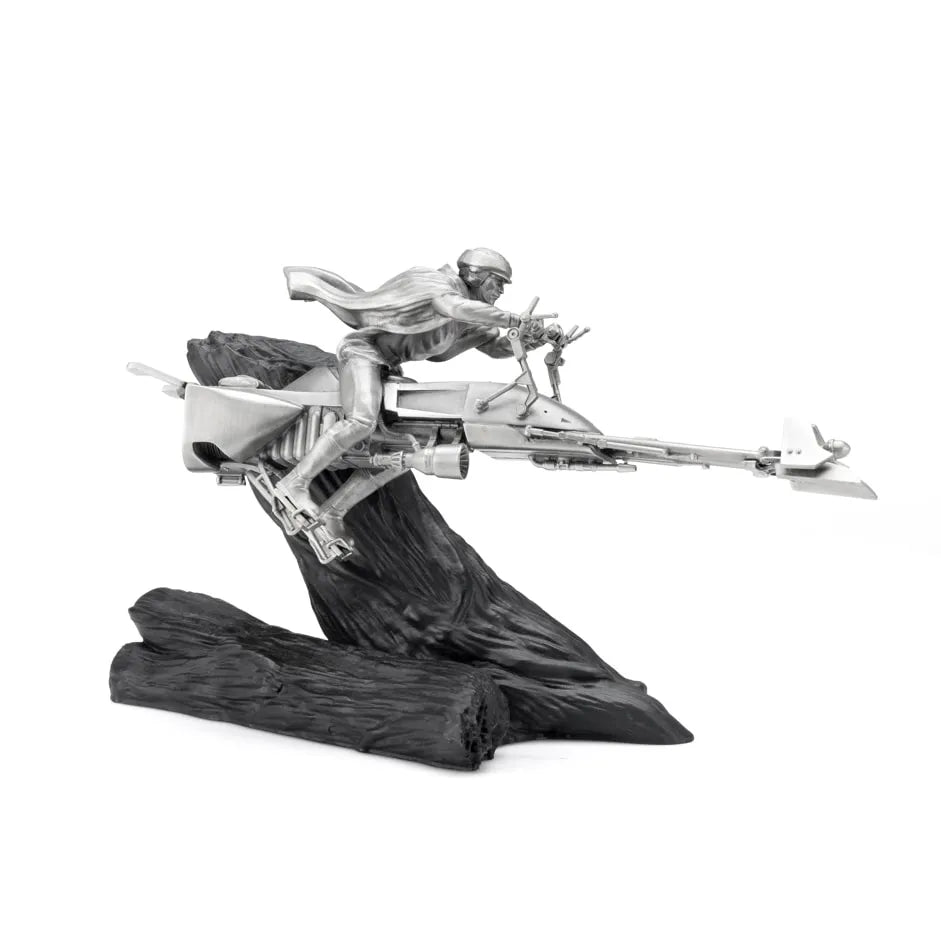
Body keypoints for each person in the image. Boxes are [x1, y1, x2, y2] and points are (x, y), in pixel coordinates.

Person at [273, 248, 529, 546]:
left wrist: (532, 338)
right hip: (364, 353)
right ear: (474, 274)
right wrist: (513, 319)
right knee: (361, 421)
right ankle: (295, 483)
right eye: (497, 282)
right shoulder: (436, 283)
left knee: (408, 445)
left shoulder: (474, 317)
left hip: (389, 367)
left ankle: (333, 512)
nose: (500, 291)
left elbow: (496, 348)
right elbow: (452, 307)